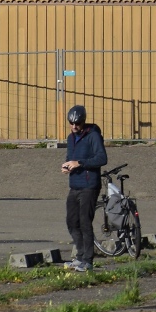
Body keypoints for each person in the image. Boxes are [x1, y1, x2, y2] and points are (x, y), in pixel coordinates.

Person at [60, 104, 108, 273]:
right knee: (72, 222)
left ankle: (87, 260)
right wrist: (67, 166)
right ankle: (79, 256)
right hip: (75, 185)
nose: (74, 127)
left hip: (89, 186)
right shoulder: (71, 138)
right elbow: (70, 157)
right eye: (71, 123)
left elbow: (102, 158)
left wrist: (80, 163)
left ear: (83, 121)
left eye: (77, 123)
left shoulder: (93, 135)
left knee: (85, 222)